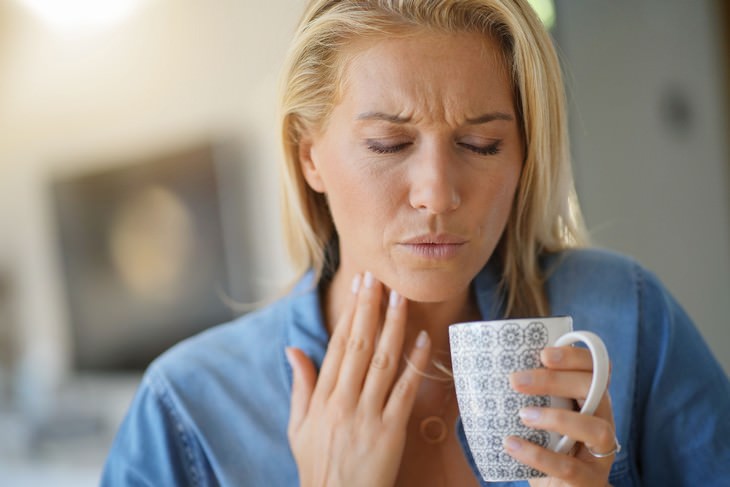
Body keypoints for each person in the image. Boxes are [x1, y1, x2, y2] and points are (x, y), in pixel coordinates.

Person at [101, 0, 730, 485]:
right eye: (389, 145)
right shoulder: (185, 411)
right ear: (309, 157)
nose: (437, 193)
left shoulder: (628, 318)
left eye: (481, 145)